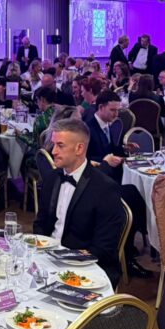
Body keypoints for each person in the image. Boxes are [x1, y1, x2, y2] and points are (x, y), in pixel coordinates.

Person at [33, 118, 124, 285]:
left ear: (79, 148)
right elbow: (40, 224)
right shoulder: (52, 178)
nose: (53, 151)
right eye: (53, 145)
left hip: (87, 271)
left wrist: (63, 260)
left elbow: (103, 248)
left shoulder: (105, 188)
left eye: (60, 145)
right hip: (48, 260)